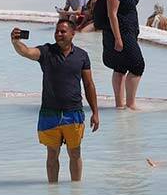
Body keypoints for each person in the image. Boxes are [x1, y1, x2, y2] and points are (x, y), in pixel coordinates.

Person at [11, 20, 100, 182]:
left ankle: (76, 191)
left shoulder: (82, 56)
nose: (58, 34)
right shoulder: (46, 52)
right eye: (57, 31)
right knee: (52, 154)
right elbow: (27, 52)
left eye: (63, 32)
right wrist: (16, 42)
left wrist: (95, 112)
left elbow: (88, 84)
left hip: (73, 113)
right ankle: (53, 194)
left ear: (73, 34)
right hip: (49, 113)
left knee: (75, 153)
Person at [99, 0, 144, 109]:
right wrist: (118, 39)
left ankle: (120, 105)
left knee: (120, 67)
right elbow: (112, 14)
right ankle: (131, 104)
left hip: (129, 32)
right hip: (121, 33)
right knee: (138, 66)